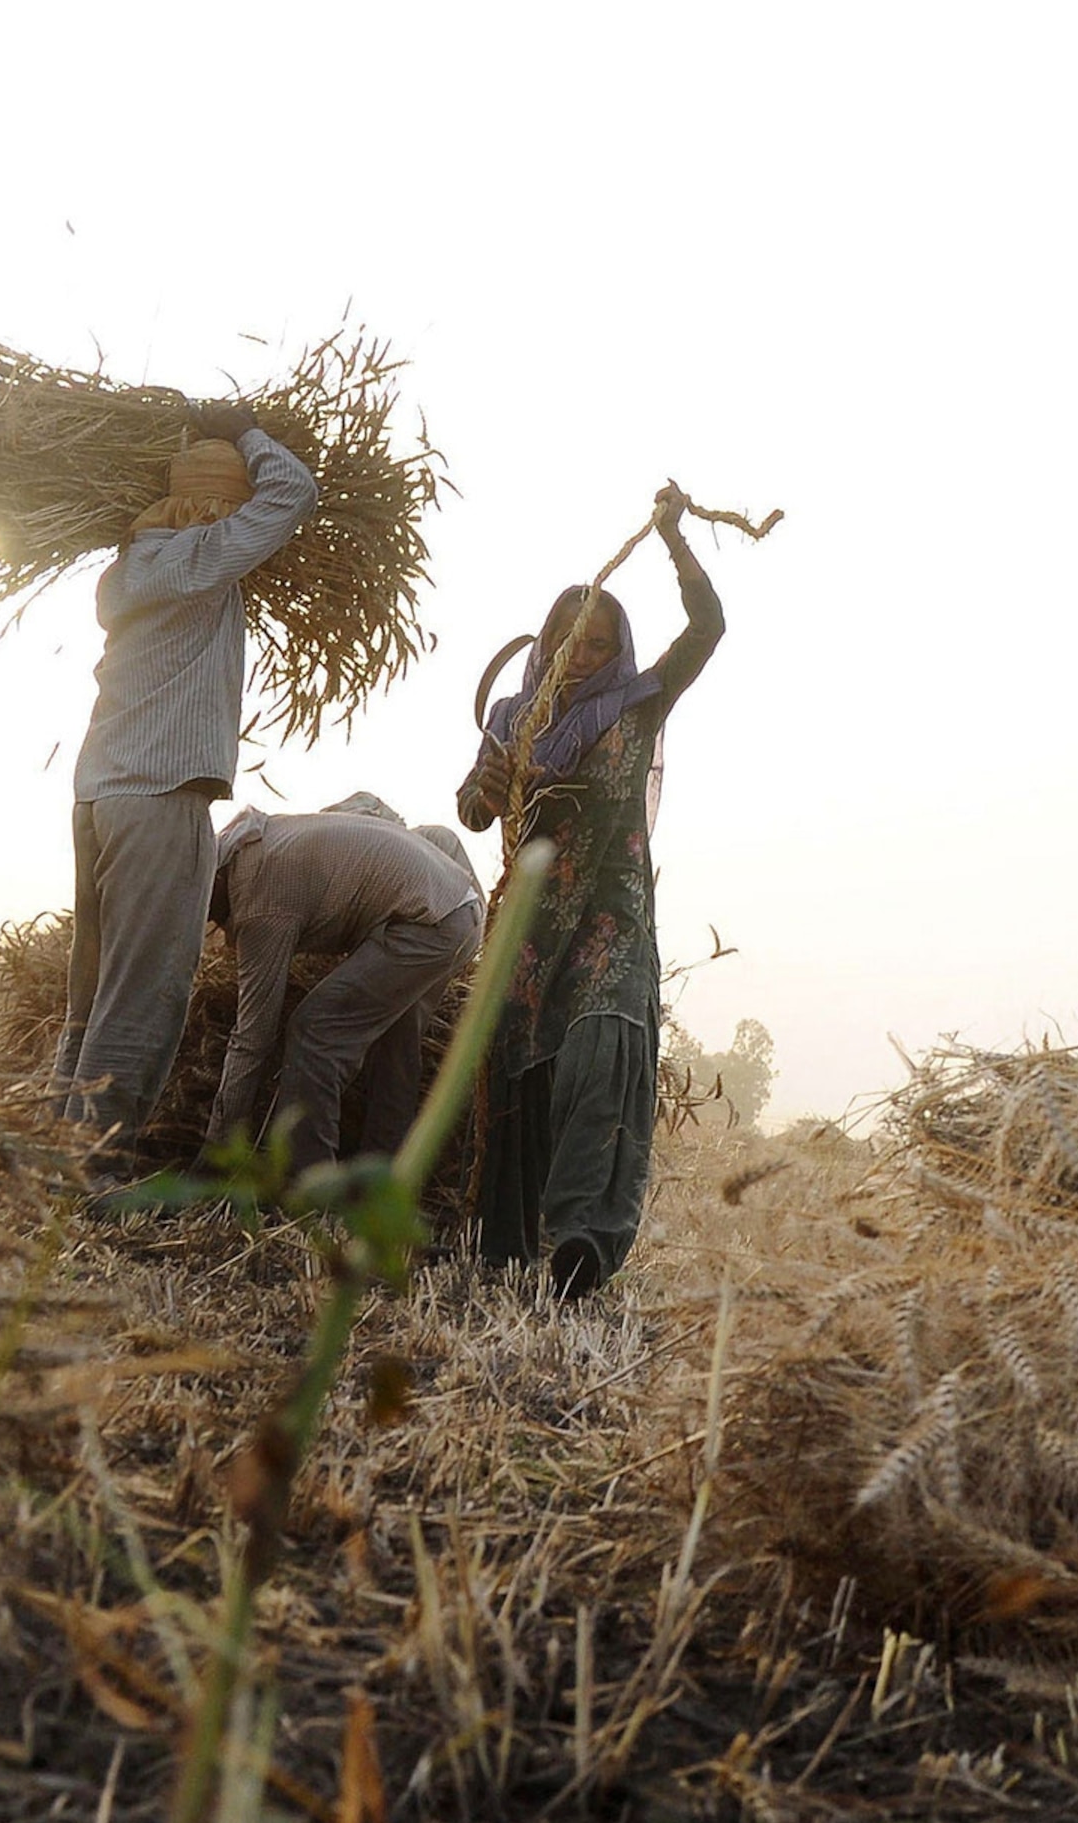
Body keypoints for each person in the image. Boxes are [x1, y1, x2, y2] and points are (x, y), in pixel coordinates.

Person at [456, 490, 725, 1300]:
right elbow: (473, 810)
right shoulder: (514, 714)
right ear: (547, 642)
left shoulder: (640, 704)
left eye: (599, 645)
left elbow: (708, 627)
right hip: (532, 925)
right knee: (521, 1070)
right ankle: (507, 1246)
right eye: (569, 641)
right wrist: (491, 783)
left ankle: (582, 1239)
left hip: (611, 916)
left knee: (599, 1051)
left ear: (618, 651)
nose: (582, 656)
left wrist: (675, 540)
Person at [56, 406, 317, 1170]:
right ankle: (95, 1166)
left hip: (102, 795)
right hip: (161, 794)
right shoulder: (196, 557)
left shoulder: (132, 566)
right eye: (235, 506)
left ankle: (56, 1151)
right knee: (144, 991)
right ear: (216, 505)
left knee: (95, 989)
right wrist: (252, 436)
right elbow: (293, 493)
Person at [206, 805, 486, 1166]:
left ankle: (309, 1185)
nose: (209, 919)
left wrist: (218, 1147)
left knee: (315, 1034)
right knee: (395, 1046)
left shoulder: (260, 899)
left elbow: (253, 1037)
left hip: (427, 923)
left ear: (213, 881)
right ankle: (382, 1180)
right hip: (453, 906)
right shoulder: (258, 840)